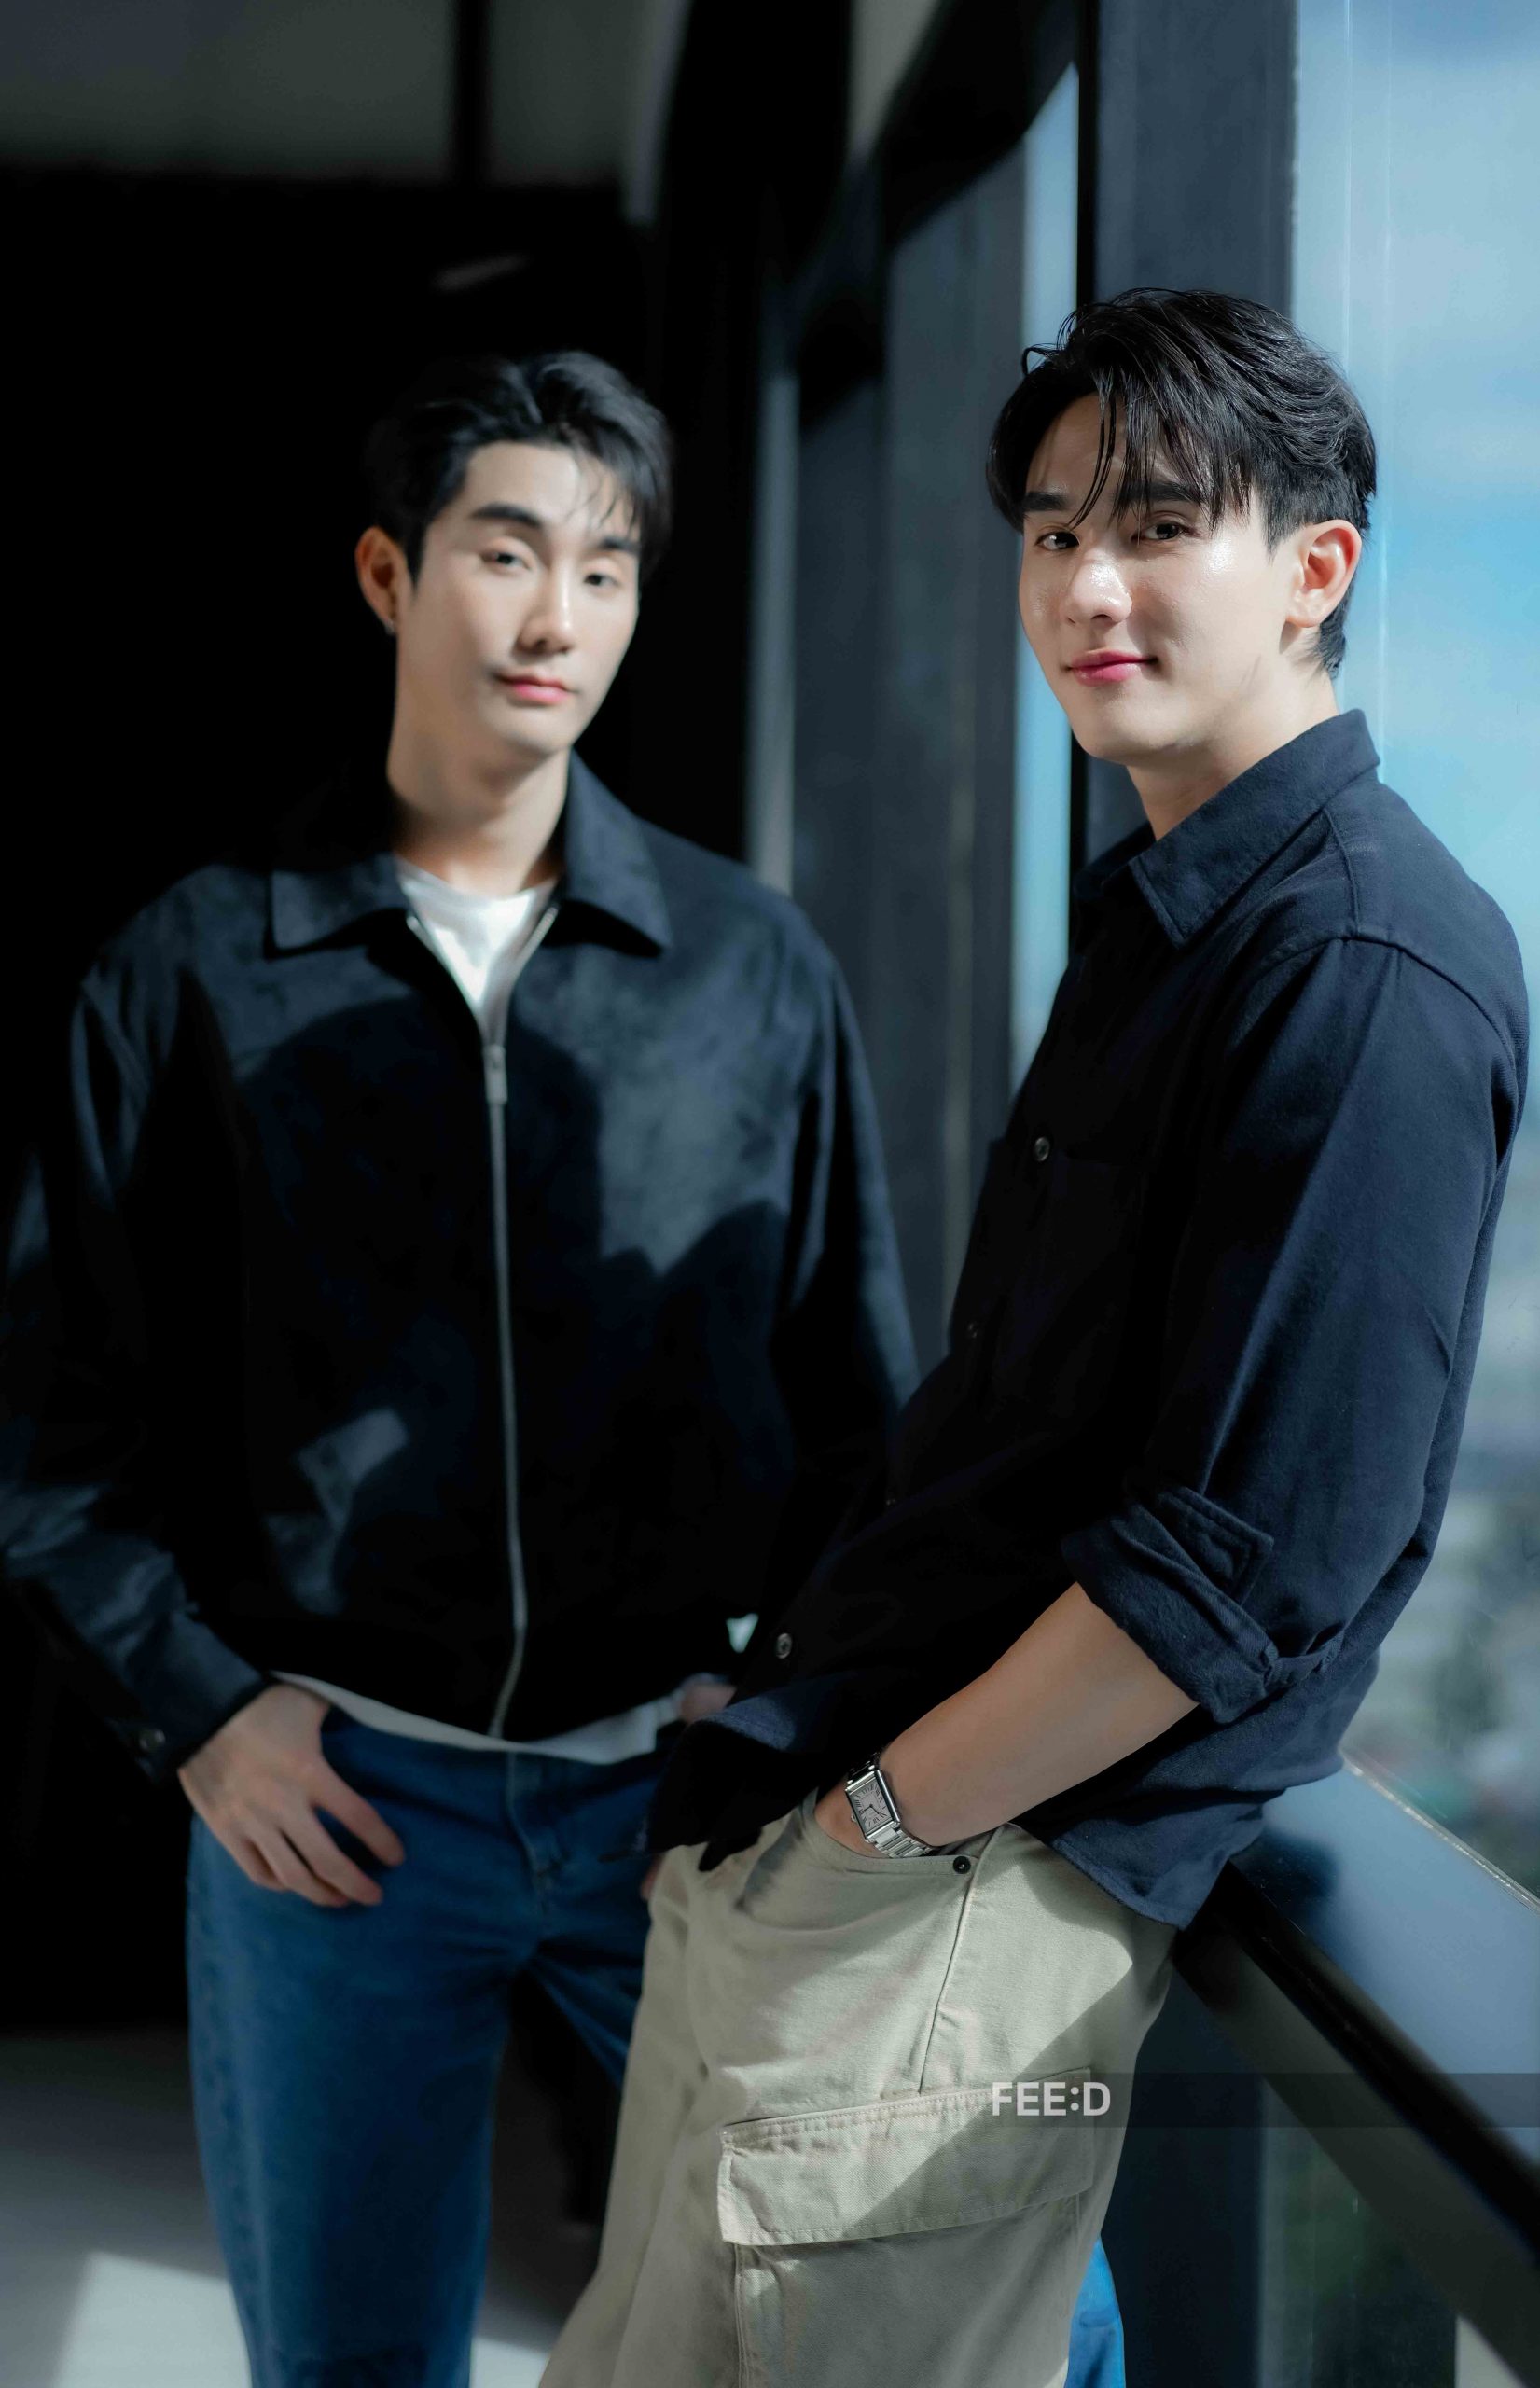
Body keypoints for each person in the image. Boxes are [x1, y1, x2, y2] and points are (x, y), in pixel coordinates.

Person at [540, 287, 1529, 2388]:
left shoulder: (1365, 963)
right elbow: (1016, 1422)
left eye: (1159, 526)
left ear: (1316, 570)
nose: (1085, 585)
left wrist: (880, 1826)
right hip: (850, 1840)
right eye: (1053, 528)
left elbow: (1241, 1567)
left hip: (952, 1899)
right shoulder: (1171, 911)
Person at [0, 351, 923, 2388]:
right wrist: (206, 1716)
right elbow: (47, 1432)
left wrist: (777, 1702)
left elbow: (862, 1408)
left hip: (673, 1796)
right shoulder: (189, 969)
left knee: (854, 2315)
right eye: (505, 552)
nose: (554, 615)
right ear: (387, 574)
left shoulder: (751, 969)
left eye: (606, 567)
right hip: (340, 1806)